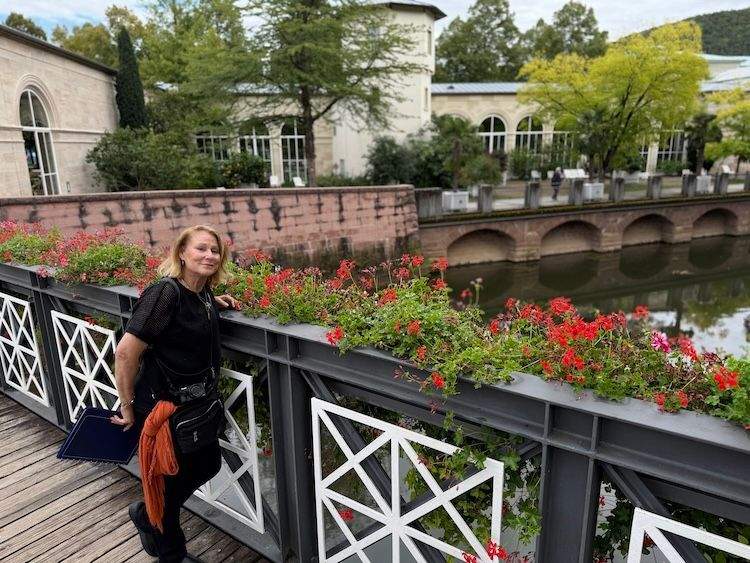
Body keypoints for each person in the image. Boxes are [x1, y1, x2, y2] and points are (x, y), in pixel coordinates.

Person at [111, 225, 240, 563]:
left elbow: (189, 319)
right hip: (163, 409)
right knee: (167, 484)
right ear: (181, 253)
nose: (209, 255)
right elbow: (125, 353)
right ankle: (171, 553)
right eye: (201, 249)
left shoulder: (201, 294)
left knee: (208, 465)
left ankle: (147, 515)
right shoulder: (165, 293)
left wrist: (217, 302)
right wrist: (127, 407)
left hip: (195, 407)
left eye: (215, 250)